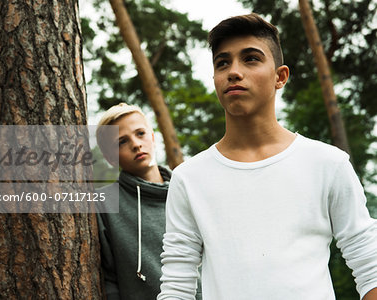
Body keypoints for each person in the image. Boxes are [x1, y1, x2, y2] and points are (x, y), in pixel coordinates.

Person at [158, 13, 377, 300]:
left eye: (250, 59)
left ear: (280, 77)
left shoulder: (327, 163)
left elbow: (369, 263)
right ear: (215, 79)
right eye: (222, 63)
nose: (234, 71)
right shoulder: (189, 178)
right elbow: (177, 284)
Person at [95, 103, 201, 300]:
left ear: (152, 137)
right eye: (122, 142)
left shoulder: (191, 189)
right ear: (110, 158)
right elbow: (108, 279)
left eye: (140, 133)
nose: (136, 144)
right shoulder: (104, 203)